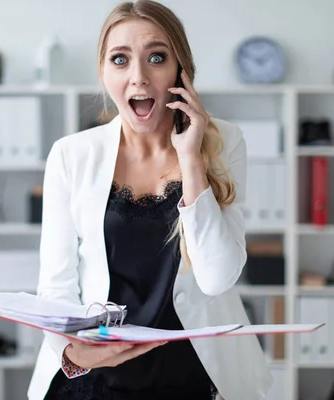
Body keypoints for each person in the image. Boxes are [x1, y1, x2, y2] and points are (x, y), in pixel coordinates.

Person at [27, 1, 273, 399]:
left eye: (156, 57)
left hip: (192, 377)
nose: (138, 77)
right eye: (120, 60)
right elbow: (56, 287)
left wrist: (191, 158)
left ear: (181, 69)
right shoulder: (71, 155)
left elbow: (217, 277)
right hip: (96, 377)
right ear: (103, 72)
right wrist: (74, 353)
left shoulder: (224, 141)